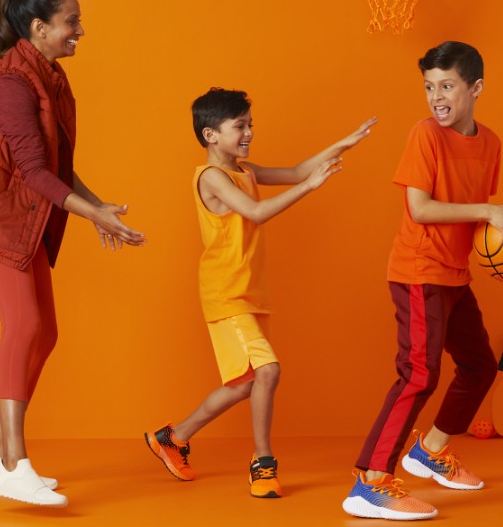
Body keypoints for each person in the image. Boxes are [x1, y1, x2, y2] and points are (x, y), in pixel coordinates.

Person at [0, 0, 147, 508]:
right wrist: (94, 218)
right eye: (71, 22)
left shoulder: (50, 76)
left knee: (47, 331)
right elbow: (35, 171)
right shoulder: (10, 83)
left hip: (25, 214)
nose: (80, 30)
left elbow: (56, 164)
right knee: (25, 324)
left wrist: (98, 206)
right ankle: (14, 461)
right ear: (39, 27)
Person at [145, 87, 376, 498]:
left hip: (250, 292)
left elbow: (296, 170)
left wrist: (344, 143)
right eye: (240, 126)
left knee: (245, 383)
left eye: (250, 124)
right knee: (268, 371)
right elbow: (256, 211)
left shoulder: (244, 169)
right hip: (226, 293)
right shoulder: (212, 177)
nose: (249, 131)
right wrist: (311, 187)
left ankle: (172, 437)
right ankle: (263, 462)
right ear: (210, 134)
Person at [341, 41, 503, 520]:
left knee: (479, 367)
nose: (436, 97)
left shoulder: (490, 143)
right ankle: (371, 482)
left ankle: (429, 451)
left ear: (476, 88)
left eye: (446, 86)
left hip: (454, 275)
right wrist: (487, 210)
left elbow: (471, 216)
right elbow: (421, 208)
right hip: (417, 271)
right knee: (420, 374)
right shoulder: (425, 135)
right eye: (429, 87)